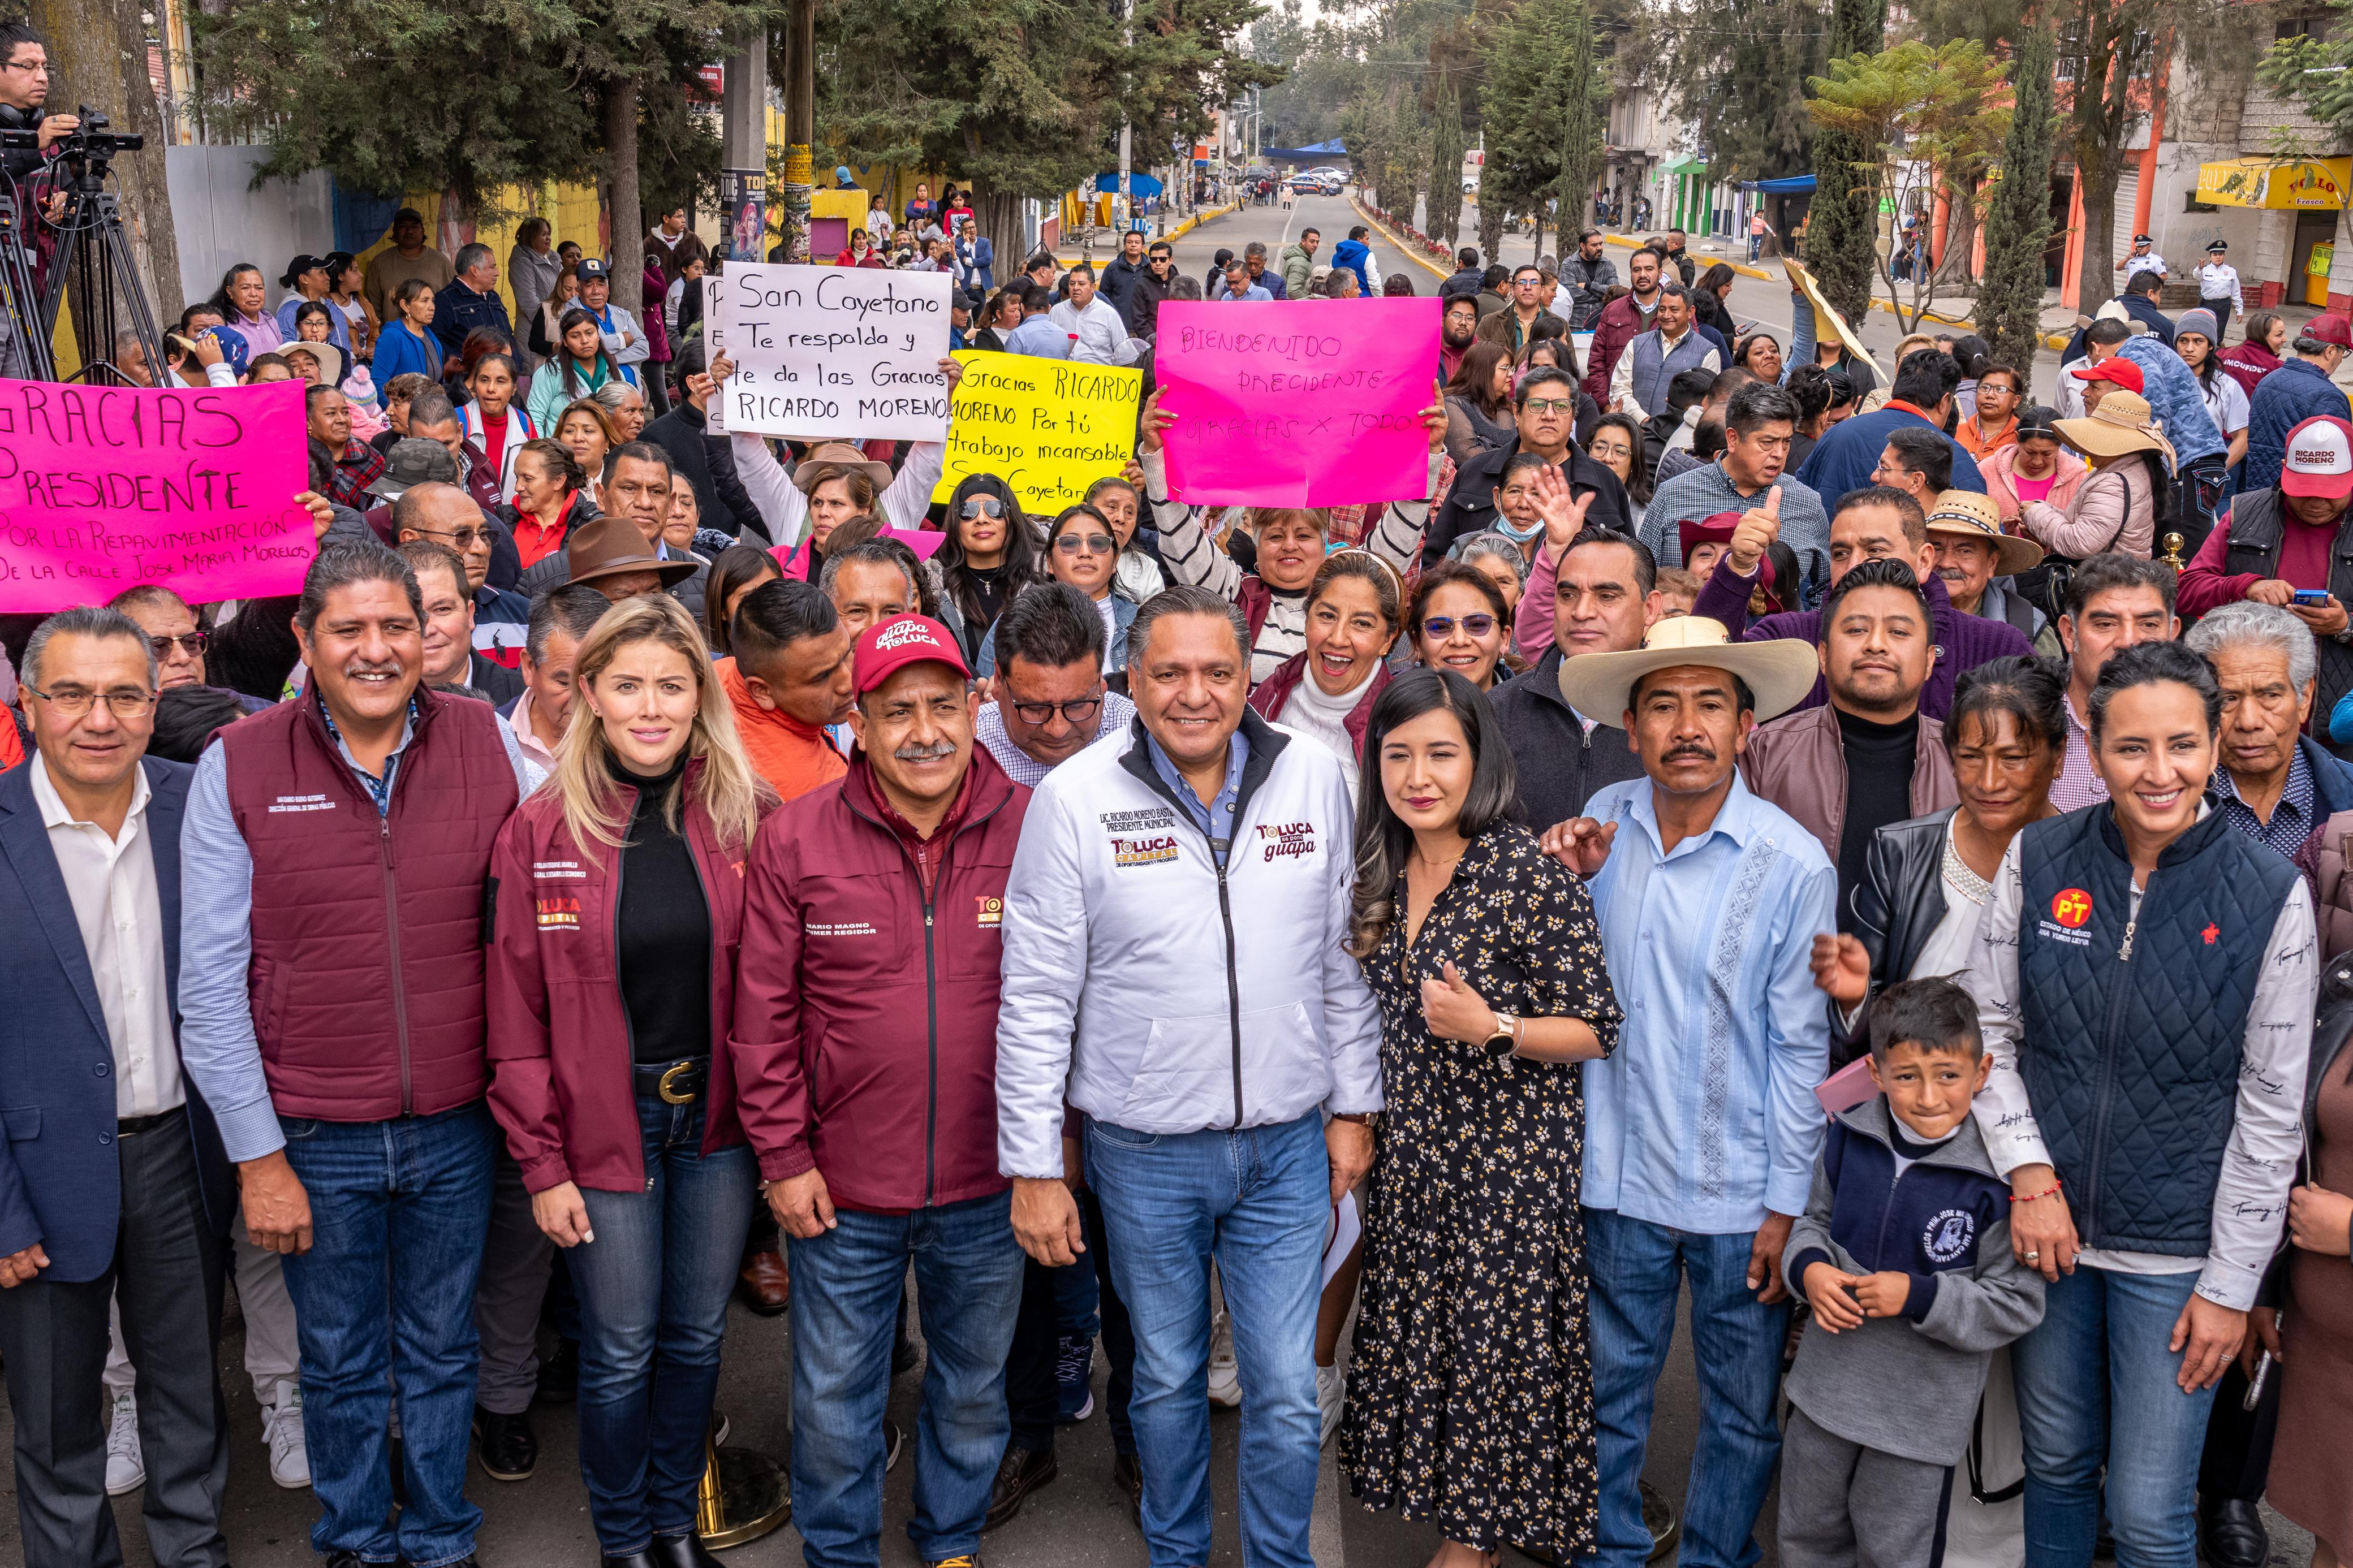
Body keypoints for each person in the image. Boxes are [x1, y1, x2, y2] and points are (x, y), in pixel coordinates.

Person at [997, 585, 1381, 1568]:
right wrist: (1036, 1166)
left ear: (1248, 676)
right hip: (1143, 1151)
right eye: (1169, 672)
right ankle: (1175, 1553)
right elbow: (1037, 993)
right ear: (1133, 680)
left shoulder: (1315, 777)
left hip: (1289, 1146)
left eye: (1217, 670)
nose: (1195, 693)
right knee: (1165, 1377)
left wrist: (1354, 1105)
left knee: (1288, 1387)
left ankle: (1278, 1558)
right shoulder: (1073, 798)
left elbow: (1341, 958)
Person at [176, 542, 535, 1568]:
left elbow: (521, 929)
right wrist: (258, 1154)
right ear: (304, 639)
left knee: (438, 1346)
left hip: (457, 1123)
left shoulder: (483, 739)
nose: (378, 650)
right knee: (335, 1359)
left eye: (398, 626)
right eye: (350, 629)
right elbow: (208, 985)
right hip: (312, 1130)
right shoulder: (238, 764)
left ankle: (435, 1531)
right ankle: (355, 1537)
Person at [1958, 638, 2315, 1568]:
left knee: (2155, 1514)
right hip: (2052, 1239)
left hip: (2180, 1258)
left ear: (2211, 744)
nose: (2159, 772)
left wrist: (2232, 1285)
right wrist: (2028, 1170)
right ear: (2094, 746)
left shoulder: (2272, 894)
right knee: (2061, 1471)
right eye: (2131, 748)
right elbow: (1988, 1031)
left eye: (2182, 746)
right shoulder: (2042, 855)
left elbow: (2273, 1107)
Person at [732, 614, 1029, 1568]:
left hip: (991, 1179)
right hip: (841, 1186)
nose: (925, 730)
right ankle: (840, 1552)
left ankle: (949, 1539)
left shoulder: (1035, 826)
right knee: (831, 1395)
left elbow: (1076, 1000)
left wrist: (1051, 1151)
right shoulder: (797, 835)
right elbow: (763, 1016)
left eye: (945, 705)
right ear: (857, 721)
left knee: (976, 1385)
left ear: (977, 707)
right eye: (897, 711)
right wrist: (782, 1158)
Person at [1542, 614, 1833, 1568]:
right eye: (1664, 705)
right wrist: (1555, 882)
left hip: (1736, 1191)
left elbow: (1799, 1046)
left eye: (1711, 703)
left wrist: (1789, 1199)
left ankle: (1713, 1557)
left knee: (1743, 1413)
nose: (1688, 725)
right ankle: (1610, 1553)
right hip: (1613, 1175)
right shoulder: (1595, 831)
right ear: (1632, 725)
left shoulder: (1792, 863)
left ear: (1746, 725)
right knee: (1605, 1394)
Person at [485, 591, 768, 1568]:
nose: (651, 707)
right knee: (617, 1348)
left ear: (702, 697)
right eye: (628, 685)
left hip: (718, 1126)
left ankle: (670, 1522)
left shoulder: (746, 817)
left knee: (693, 1337)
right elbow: (514, 1018)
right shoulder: (538, 831)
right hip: (603, 1126)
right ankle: (622, 1539)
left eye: (672, 685)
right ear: (591, 696)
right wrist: (543, 1163)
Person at [1338, 668, 1621, 1563]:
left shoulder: (1524, 872)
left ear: (1479, 761)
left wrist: (1493, 1026)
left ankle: (1474, 1544)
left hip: (1508, 1173)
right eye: (1399, 755)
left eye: (1441, 754)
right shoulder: (1380, 870)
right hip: (1417, 1164)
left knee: (1492, 1359)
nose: (1419, 775)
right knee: (1436, 1350)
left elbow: (1598, 1026)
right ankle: (1465, 1526)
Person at [0, 607, 237, 1568]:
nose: (99, 717)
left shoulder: (203, 806)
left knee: (188, 1390)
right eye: (71, 693)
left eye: (125, 694)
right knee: (56, 1424)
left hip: (181, 1156)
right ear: (27, 703)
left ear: (153, 703)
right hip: (37, 1176)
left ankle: (195, 1550)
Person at [1778, 978, 2045, 1568]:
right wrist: (1811, 1272)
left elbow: (2017, 1302)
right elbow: (1811, 1223)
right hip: (1823, 1396)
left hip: (1918, 1421)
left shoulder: (1993, 1182)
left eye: (1947, 1075)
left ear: (1981, 1073)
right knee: (1806, 1537)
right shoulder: (1848, 1133)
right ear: (1875, 1073)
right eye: (1906, 1076)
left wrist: (1920, 1296)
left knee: (1893, 1551)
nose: (1927, 1096)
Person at [1140, 392, 1439, 686]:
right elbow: (1179, 535)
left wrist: (1427, 451)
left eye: (1304, 535)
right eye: (1275, 536)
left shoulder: (1354, 591)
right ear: (1256, 548)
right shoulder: (1233, 592)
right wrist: (1155, 456)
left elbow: (1397, 539)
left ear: (1324, 545)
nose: (1290, 545)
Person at [1691, 486, 2036, 720]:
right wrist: (1738, 569)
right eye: (1841, 553)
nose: (1855, 566)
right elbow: (1702, 669)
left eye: (1876, 551)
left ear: (1924, 561)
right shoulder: (1790, 641)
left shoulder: (1997, 647)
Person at [1739, 556, 1958, 919]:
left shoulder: (1964, 763)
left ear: (1930, 661)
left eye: (1899, 632)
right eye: (1856, 630)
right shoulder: (1764, 755)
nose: (1876, 644)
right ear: (1823, 656)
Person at [1428, 368, 1634, 562]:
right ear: (1517, 413)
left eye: (1561, 406)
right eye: (1537, 405)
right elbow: (1436, 557)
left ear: (1573, 416)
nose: (1549, 415)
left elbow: (1628, 562)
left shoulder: (1605, 483)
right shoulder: (1475, 473)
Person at [1643, 382, 1830, 591]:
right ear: (1732, 439)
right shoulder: (1674, 494)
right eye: (1767, 442)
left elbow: (1825, 587)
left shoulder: (1806, 503)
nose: (1779, 453)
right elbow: (1644, 578)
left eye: (1786, 442)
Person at [1244, 552, 1403, 796]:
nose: (1338, 639)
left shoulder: (1403, 723)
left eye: (1361, 623)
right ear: (1306, 620)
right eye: (1327, 616)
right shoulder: (1268, 697)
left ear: (1387, 640)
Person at [976, 582, 1137, 787]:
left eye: (1078, 706)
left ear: (1100, 681)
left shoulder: (1138, 736)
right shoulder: (966, 747)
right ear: (999, 679)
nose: (1058, 730)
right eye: (1035, 708)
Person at [1797, 347, 1986, 502]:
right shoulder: (1953, 455)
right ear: (1945, 401)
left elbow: (1798, 496)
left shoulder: (1836, 433)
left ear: (1896, 389)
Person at [2015, 390, 2171, 563]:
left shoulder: (2114, 484)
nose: (2089, 449)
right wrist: (2044, 509)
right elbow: (2089, 522)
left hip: (2107, 582)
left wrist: (2036, 513)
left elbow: (2079, 543)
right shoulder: (2128, 469)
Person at [1921, 490, 2052, 650]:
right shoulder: (1895, 614)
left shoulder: (2028, 626)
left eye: (1965, 551)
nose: (1947, 563)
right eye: (1937, 548)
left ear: (1992, 563)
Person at [107, 585, 272, 712]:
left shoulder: (260, 718)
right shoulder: (100, 734)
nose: (183, 658)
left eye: (191, 642)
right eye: (158, 646)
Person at [503, 582, 609, 775]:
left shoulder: (637, 742)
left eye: (596, 681)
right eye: (565, 683)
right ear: (528, 667)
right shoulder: (492, 737)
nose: (583, 697)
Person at [2246, 314, 2353, 495]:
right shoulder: (2328, 396)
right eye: (2344, 353)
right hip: (2300, 494)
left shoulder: (2268, 380)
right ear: (2331, 351)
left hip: (2257, 489)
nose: (2341, 359)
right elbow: (2338, 457)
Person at [1406, 560, 1515, 690]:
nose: (1459, 641)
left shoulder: (1535, 708)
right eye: (1441, 627)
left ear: (1504, 638)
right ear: (1418, 642)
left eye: (1477, 625)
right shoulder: (1392, 709)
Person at [1583, 247, 1666, 404]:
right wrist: (1605, 404)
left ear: (1660, 273)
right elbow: (1596, 361)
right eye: (1637, 270)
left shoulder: (1675, 311)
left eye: (1649, 269)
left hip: (1661, 409)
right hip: (1618, 406)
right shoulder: (1612, 310)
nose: (1642, 275)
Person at [1981, 405, 2088, 525]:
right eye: (2030, 452)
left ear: (2060, 444)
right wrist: (2000, 532)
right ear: (2017, 438)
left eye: (2046, 454)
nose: (2037, 462)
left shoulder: (2078, 479)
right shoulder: (1987, 471)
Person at [362, 208, 454, 323]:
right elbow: (373, 307)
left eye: (414, 227)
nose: (409, 231)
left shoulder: (441, 262)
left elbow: (454, 301)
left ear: (422, 230)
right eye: (403, 227)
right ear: (395, 231)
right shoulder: (380, 263)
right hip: (395, 337)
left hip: (434, 337)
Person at [575, 260, 650, 390]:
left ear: (608, 288)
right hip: (601, 398)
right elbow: (588, 348)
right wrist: (622, 340)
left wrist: (609, 358)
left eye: (601, 284)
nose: (596, 291)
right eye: (589, 285)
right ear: (579, 289)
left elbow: (644, 349)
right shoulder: (572, 316)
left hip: (633, 394)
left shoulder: (622, 314)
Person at [1956, 363, 2024, 459]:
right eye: (1985, 388)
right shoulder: (1956, 432)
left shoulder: (2021, 438)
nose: (1990, 395)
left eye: (2000, 390)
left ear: (2015, 401)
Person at [2221, 309, 2289, 401]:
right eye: (2279, 335)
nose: (2285, 339)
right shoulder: (2277, 368)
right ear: (2262, 335)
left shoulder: (2222, 354)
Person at [1332, 224, 1376, 295]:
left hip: (1341, 301)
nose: (1369, 242)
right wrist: (1378, 301)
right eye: (1367, 239)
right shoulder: (1368, 256)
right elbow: (1374, 283)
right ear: (1359, 239)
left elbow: (1331, 282)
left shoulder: (1335, 258)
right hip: (1364, 300)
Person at [1281, 228, 1321, 297]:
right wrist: (1309, 301)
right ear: (1303, 241)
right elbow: (1293, 292)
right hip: (1297, 305)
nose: (1315, 245)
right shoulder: (1299, 263)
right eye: (1312, 242)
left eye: (1317, 242)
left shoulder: (1303, 256)